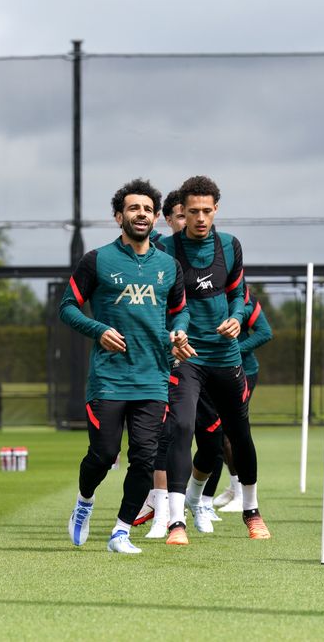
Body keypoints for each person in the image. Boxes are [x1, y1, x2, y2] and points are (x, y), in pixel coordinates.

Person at [59, 178, 190, 554]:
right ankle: (84, 502)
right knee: (102, 454)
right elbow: (67, 306)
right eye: (134, 208)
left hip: (153, 377)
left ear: (156, 218)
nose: (142, 214)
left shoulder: (168, 265)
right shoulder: (97, 260)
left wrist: (179, 334)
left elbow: (179, 313)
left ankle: (120, 531)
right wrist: (98, 330)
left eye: (148, 209)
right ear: (119, 216)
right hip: (110, 379)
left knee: (145, 459)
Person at [161, 175, 269, 544]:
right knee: (181, 428)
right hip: (188, 357)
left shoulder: (229, 245)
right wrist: (172, 334)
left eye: (207, 211)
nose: (201, 218)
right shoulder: (166, 248)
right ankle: (176, 521)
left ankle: (251, 511)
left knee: (238, 435)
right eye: (193, 212)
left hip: (226, 357)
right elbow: (162, 304)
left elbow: (239, 293)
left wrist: (237, 319)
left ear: (216, 209)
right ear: (182, 213)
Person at [136, 189, 187, 538]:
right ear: (166, 220)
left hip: (196, 355)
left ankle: (194, 501)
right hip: (158, 358)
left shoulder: (211, 251)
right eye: (181, 216)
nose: (190, 221)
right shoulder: (154, 251)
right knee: (160, 434)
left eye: (197, 214)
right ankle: (162, 511)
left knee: (190, 433)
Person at [203, 287, 273, 513]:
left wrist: (232, 348)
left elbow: (265, 332)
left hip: (243, 371)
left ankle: (243, 494)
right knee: (213, 431)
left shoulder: (244, 295)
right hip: (209, 370)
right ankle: (234, 487)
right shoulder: (202, 291)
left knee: (229, 432)